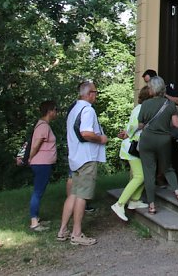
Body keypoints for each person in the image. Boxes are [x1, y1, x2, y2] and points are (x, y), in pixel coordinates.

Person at [57, 80, 107, 245]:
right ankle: (77, 234)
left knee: (73, 194)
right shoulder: (87, 110)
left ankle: (62, 231)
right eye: (95, 92)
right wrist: (100, 138)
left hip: (75, 157)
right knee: (82, 196)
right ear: (88, 94)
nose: (96, 95)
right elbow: (86, 133)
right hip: (86, 158)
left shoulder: (73, 109)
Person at [138, 75, 178, 214]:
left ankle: (151, 205)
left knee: (149, 172)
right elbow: (176, 124)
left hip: (147, 139)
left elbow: (140, 125)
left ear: (152, 89)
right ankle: (177, 191)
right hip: (164, 140)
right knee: (167, 167)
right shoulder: (169, 104)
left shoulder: (145, 104)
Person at [111, 85, 152, 221]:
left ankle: (134, 200)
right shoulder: (140, 109)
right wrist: (140, 126)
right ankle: (119, 204)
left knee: (144, 175)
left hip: (138, 147)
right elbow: (134, 126)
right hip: (133, 147)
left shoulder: (141, 108)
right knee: (140, 176)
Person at [26, 100, 58, 231]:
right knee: (38, 192)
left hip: (43, 163)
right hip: (41, 163)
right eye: (55, 110)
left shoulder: (43, 125)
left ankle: (36, 218)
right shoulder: (44, 126)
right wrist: (30, 157)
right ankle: (34, 222)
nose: (57, 113)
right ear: (50, 111)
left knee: (39, 191)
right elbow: (36, 144)